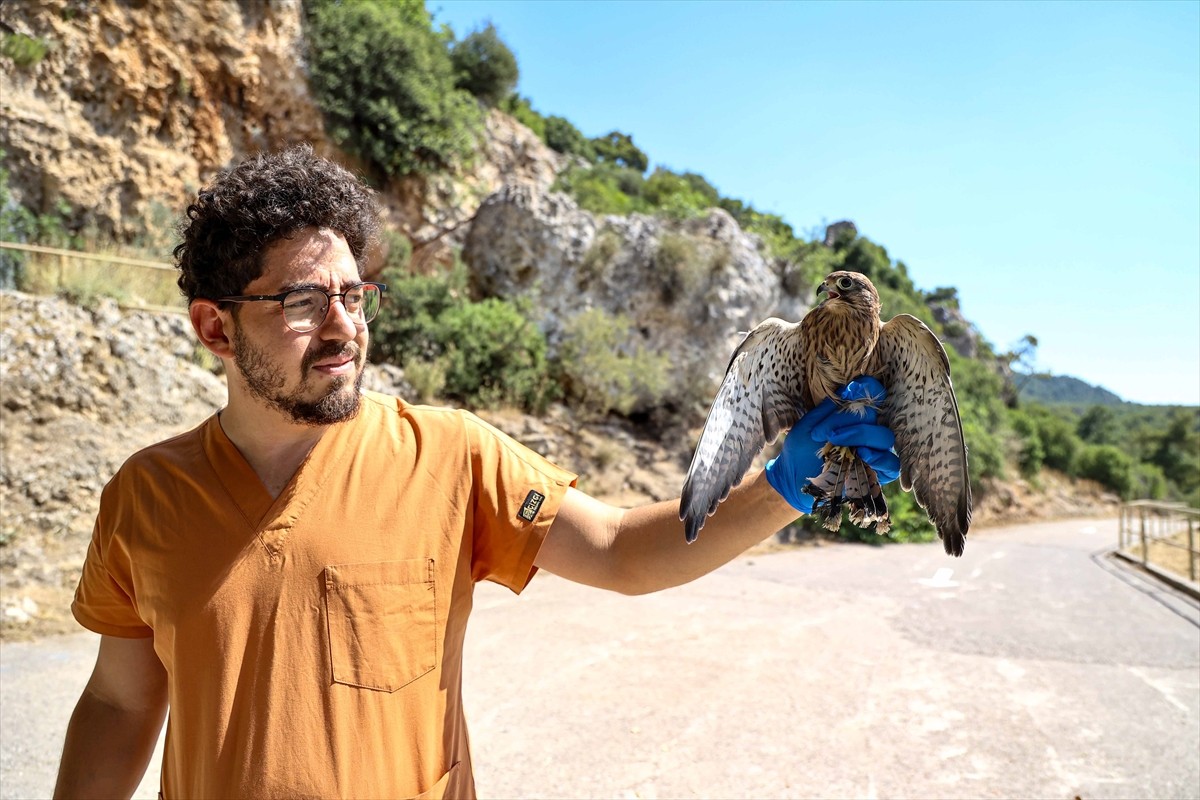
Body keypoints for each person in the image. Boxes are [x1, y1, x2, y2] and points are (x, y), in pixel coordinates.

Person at [53, 145, 900, 800]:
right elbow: (122, 703)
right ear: (214, 327)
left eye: (355, 295)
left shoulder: (450, 454)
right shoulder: (145, 496)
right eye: (304, 302)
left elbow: (616, 550)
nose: (344, 326)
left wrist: (784, 486)